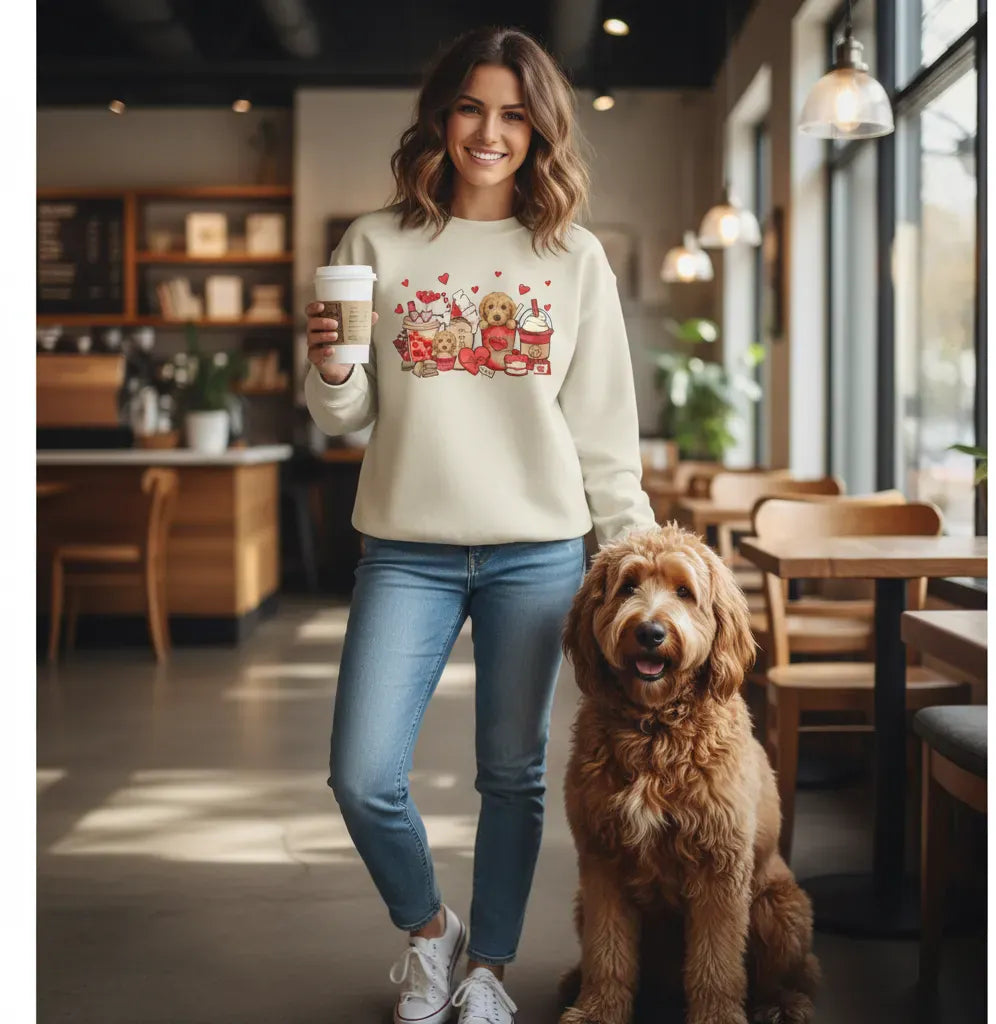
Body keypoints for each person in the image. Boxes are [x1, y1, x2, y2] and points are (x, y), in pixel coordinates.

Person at [304, 26, 656, 1024]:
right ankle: (431, 934)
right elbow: (346, 414)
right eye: (470, 108)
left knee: (512, 775)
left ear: (540, 131)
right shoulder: (374, 243)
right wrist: (332, 368)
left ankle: (489, 967)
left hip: (537, 553)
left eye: (512, 114)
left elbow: (603, 431)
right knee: (362, 774)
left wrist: (633, 555)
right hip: (404, 549)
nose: (488, 132)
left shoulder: (573, 257)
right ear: (440, 117)